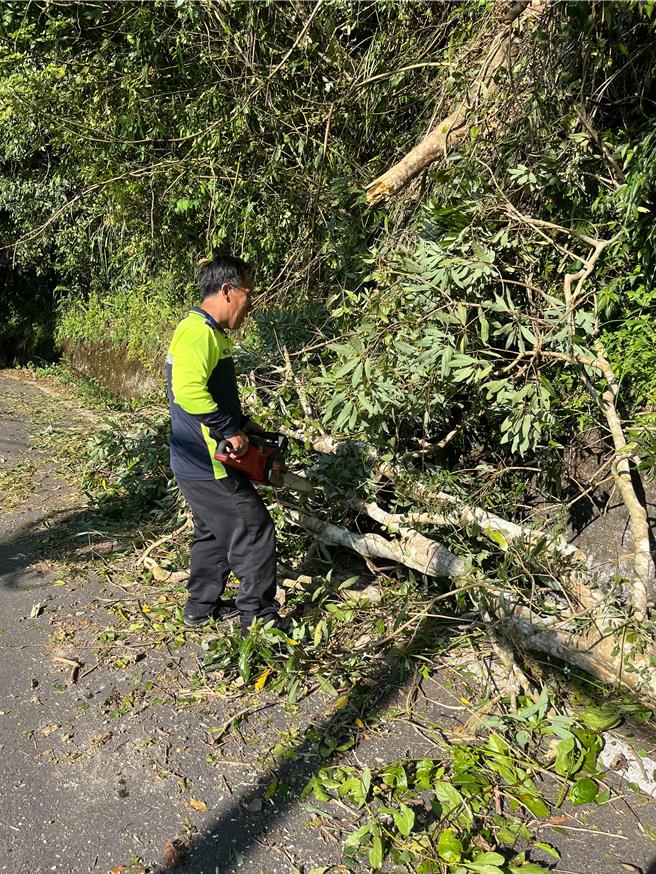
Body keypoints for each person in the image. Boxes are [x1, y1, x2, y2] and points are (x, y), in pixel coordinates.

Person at [166, 254, 282, 636]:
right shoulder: (198, 332)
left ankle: (200, 609)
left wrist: (243, 424)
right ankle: (259, 623)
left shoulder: (210, 334)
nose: (251, 303)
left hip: (193, 463)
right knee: (255, 531)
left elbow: (212, 395)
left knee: (213, 533)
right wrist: (227, 431)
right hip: (209, 464)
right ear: (228, 291)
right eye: (249, 293)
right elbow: (188, 392)